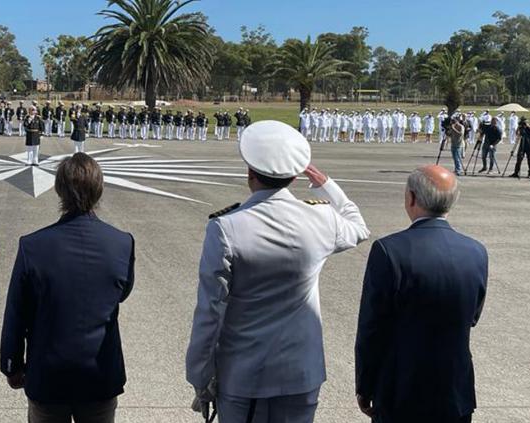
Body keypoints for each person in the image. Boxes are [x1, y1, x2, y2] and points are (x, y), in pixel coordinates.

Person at [186, 121, 370, 423]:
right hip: (301, 373)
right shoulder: (322, 218)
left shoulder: (226, 227)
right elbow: (359, 227)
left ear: (250, 172)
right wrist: (327, 185)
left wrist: (200, 374)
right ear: (295, 175)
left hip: (244, 374)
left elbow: (210, 310)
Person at [1, 153, 134, 423]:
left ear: (59, 190)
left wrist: (12, 365)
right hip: (99, 373)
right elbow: (122, 292)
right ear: (99, 189)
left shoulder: (32, 245)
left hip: (48, 375)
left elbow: (17, 312)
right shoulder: (122, 243)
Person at [355, 165, 487, 423]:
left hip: (401, 390)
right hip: (454, 389)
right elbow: (473, 315)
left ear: (412, 198)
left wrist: (365, 385)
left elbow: (372, 327)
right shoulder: (476, 251)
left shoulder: (389, 250)